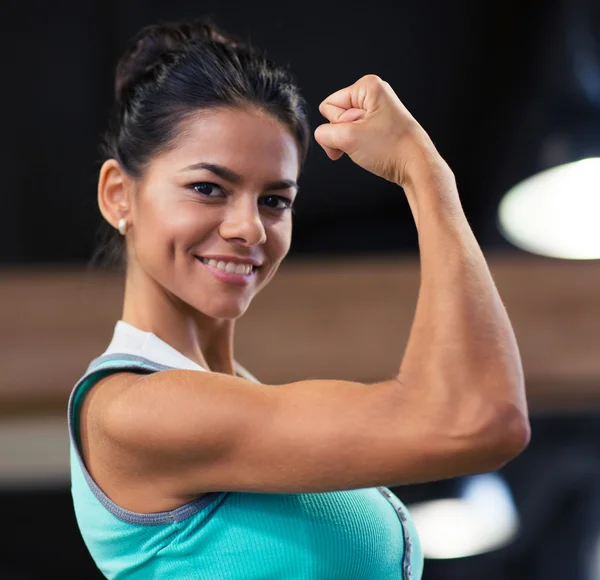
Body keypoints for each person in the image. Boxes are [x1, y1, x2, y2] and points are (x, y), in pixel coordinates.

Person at [67, 16, 530, 580]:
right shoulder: (134, 410)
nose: (249, 228)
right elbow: (477, 419)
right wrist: (426, 173)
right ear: (120, 195)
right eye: (208, 188)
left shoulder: (238, 397)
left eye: (275, 200)